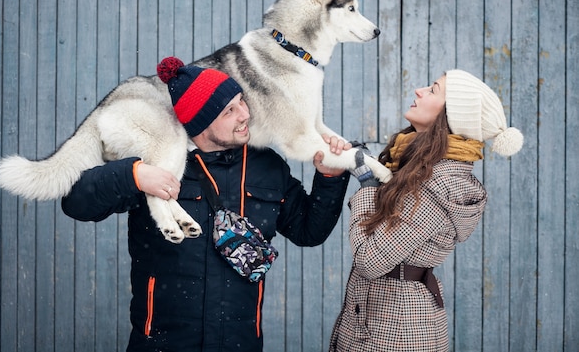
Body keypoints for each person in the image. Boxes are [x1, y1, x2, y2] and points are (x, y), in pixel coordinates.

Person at [61, 57, 351, 352]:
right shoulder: (157, 163)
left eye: (242, 102)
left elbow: (308, 231)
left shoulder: (267, 166)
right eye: (230, 111)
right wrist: (133, 174)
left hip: (238, 344)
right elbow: (76, 203)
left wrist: (330, 177)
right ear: (201, 123)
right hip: (163, 344)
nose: (245, 114)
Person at [329, 69, 523, 352]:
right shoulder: (417, 167)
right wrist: (369, 164)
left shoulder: (441, 184)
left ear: (451, 116)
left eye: (433, 90)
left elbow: (370, 261)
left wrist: (367, 187)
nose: (419, 91)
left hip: (397, 328)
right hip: (383, 315)